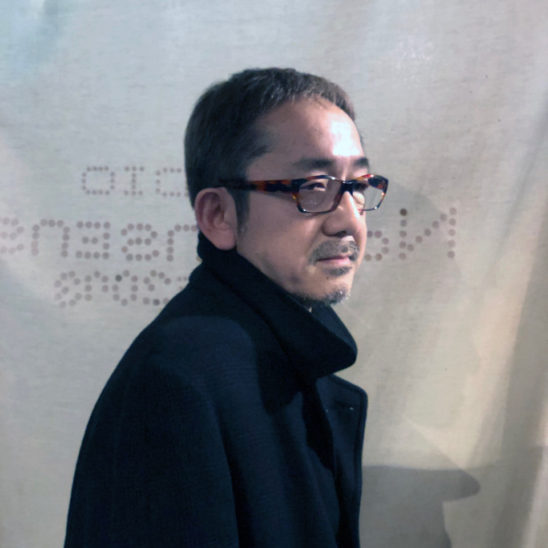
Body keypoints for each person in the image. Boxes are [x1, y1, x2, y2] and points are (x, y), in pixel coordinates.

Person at [64, 67, 388, 547]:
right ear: (218, 214)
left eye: (358, 185)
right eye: (313, 186)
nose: (348, 220)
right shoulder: (176, 383)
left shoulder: (285, 357)